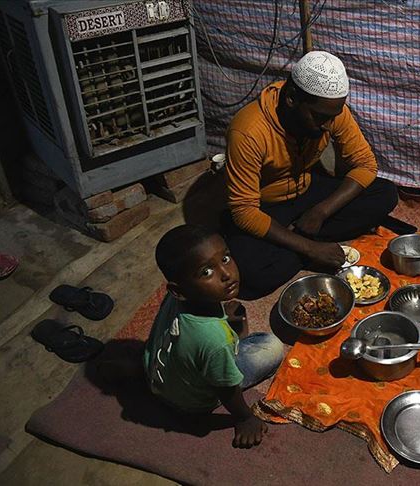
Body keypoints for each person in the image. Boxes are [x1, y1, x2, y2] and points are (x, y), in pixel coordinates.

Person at [223, 50, 399, 299]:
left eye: (332, 117)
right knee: (250, 277)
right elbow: (244, 211)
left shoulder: (330, 114)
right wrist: (311, 248)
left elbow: (365, 165)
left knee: (385, 193)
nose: (327, 125)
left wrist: (321, 211)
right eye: (319, 118)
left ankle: (296, 239)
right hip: (267, 206)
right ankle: (306, 243)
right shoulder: (248, 130)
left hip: (307, 189)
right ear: (292, 99)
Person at [144, 224, 284, 448]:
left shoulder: (175, 298)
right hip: (194, 401)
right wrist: (244, 418)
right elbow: (226, 388)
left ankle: (139, 369)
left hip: (158, 379)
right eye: (206, 272)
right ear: (179, 290)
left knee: (211, 342)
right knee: (272, 346)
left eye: (225, 258)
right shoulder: (213, 339)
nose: (226, 274)